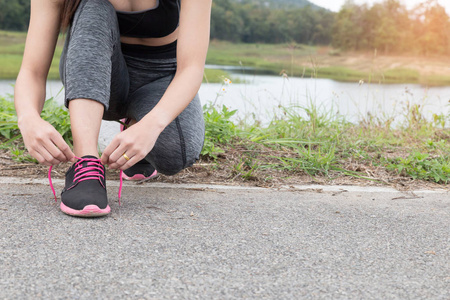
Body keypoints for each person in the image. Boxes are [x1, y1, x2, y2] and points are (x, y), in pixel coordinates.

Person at [14, 0, 211, 217]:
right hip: (96, 73)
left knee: (175, 154)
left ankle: (135, 132)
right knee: (94, 7)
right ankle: (86, 166)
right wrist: (28, 118)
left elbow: (191, 68)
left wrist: (150, 126)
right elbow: (32, 71)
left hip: (160, 78)